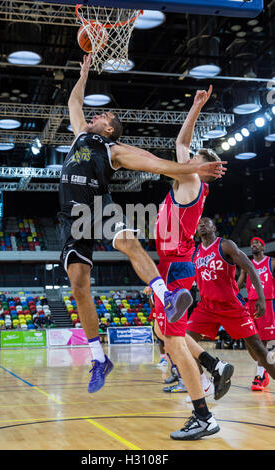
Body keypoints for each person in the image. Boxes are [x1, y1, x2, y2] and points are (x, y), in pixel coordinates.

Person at [58, 54, 227, 395]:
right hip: (70, 216)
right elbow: (74, 101)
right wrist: (85, 74)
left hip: (96, 207)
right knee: (79, 286)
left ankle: (165, 296)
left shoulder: (112, 149)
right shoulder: (79, 136)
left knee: (129, 242)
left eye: (104, 115)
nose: (96, 114)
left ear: (108, 129)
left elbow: (156, 164)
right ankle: (98, 358)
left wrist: (193, 169)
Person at [151, 87, 230, 440]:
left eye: (192, 157)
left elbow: (181, 147)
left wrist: (195, 111)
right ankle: (215, 364)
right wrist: (196, 106)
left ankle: (203, 415)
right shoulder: (192, 181)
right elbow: (182, 144)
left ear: (202, 166)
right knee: (165, 334)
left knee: (173, 342)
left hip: (176, 268)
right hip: (174, 268)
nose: (184, 157)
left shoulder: (191, 178)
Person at [186, 218, 275, 395]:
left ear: (214, 228)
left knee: (258, 348)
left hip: (231, 306)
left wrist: (262, 298)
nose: (201, 225)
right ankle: (205, 384)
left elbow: (249, 267)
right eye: (199, 223)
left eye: (206, 222)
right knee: (184, 342)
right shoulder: (195, 253)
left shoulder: (225, 245)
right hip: (206, 306)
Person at [237, 237, 275, 390]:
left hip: (267, 303)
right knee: (249, 340)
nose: (254, 244)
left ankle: (259, 376)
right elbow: (239, 284)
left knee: (263, 342)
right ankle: (264, 369)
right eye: (252, 243)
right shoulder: (247, 264)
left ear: (263, 247)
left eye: (258, 243)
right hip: (249, 304)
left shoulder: (272, 262)